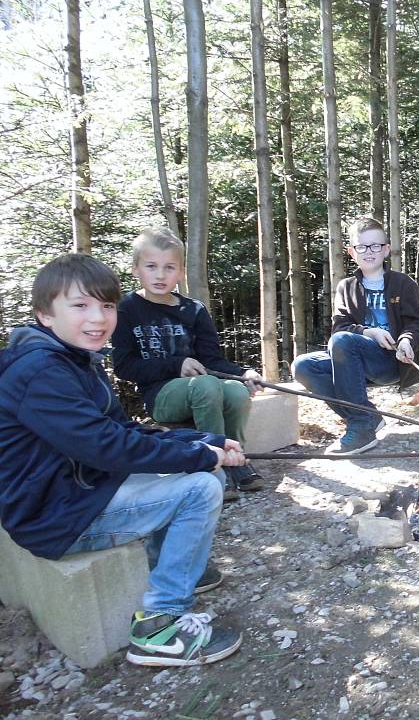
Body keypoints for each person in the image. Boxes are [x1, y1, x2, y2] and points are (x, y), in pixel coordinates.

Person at [0, 254, 245, 666]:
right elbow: (109, 448)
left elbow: (123, 431)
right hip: (55, 515)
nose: (98, 318)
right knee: (201, 487)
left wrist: (207, 440)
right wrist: (198, 456)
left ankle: (173, 569)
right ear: (45, 314)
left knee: (206, 474)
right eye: (80, 306)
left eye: (107, 305)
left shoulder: (76, 360)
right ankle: (160, 627)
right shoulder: (40, 371)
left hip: (81, 492)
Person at [112, 227, 264, 501]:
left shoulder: (193, 309)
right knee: (205, 385)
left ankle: (237, 458)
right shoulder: (126, 309)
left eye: (169, 267)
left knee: (236, 391)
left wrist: (243, 373)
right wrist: (176, 364)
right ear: (135, 269)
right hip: (160, 395)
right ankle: (211, 467)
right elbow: (124, 366)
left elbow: (211, 360)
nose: (160, 275)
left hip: (203, 388)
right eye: (151, 266)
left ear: (181, 272)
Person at [292, 218, 419, 455]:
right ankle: (367, 417)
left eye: (375, 245)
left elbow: (417, 324)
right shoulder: (346, 287)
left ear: (386, 249)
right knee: (303, 366)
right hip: (351, 363)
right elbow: (340, 327)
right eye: (362, 247)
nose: (369, 252)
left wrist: (407, 340)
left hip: (391, 362)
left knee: (342, 341)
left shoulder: (403, 283)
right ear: (352, 252)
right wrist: (368, 331)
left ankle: (361, 428)